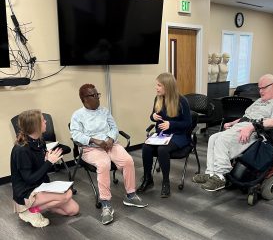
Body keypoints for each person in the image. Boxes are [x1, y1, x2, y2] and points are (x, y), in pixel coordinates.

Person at [192, 74, 273, 191]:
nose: (260, 91)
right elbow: (246, 117)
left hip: (258, 132)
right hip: (242, 126)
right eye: (259, 88)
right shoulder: (259, 101)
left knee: (222, 140)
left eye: (264, 88)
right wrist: (232, 123)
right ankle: (210, 173)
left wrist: (252, 127)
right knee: (213, 138)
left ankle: (220, 177)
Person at [70, 84, 147, 225]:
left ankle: (130, 195)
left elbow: (114, 127)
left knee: (128, 160)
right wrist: (94, 140)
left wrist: (111, 139)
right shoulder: (77, 115)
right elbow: (75, 135)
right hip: (91, 148)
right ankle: (106, 204)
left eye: (97, 94)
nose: (97, 98)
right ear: (84, 99)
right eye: (93, 95)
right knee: (104, 164)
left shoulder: (104, 111)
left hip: (110, 144)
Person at [10, 110, 79, 228]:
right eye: (42, 120)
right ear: (35, 126)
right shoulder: (21, 150)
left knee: (74, 210)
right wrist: (48, 162)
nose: (46, 121)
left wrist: (47, 160)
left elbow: (40, 168)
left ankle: (41, 206)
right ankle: (28, 211)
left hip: (41, 185)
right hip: (27, 192)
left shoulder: (39, 141)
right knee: (67, 195)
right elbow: (29, 179)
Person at [137, 73, 192, 198]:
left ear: (167, 87)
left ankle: (165, 182)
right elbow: (152, 116)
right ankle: (147, 178)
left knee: (163, 149)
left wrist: (171, 124)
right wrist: (153, 117)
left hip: (179, 135)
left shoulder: (182, 101)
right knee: (146, 146)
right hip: (162, 135)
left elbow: (188, 123)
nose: (156, 88)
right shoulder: (158, 98)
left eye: (159, 85)